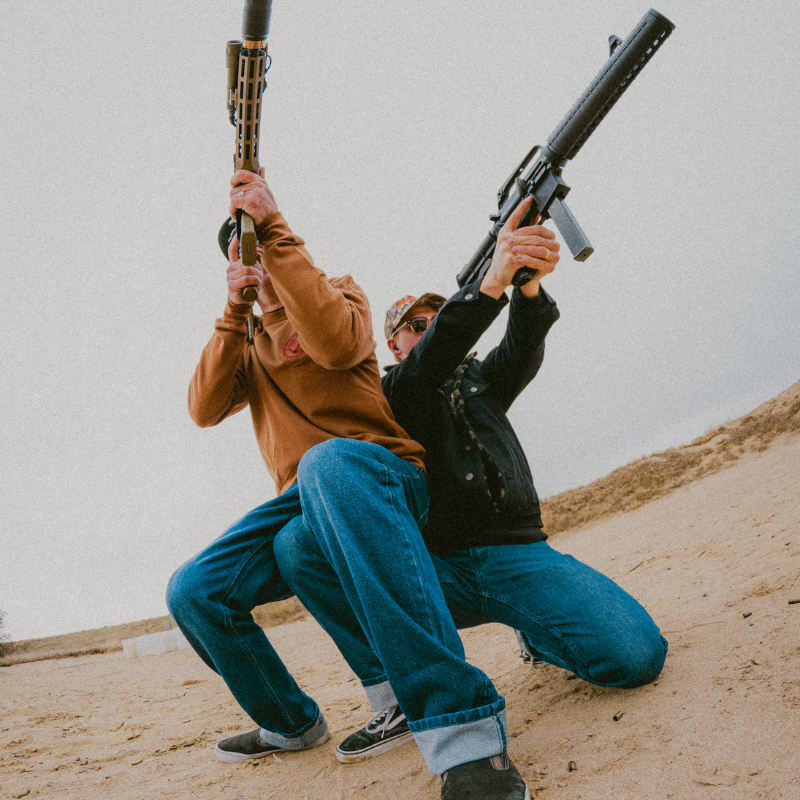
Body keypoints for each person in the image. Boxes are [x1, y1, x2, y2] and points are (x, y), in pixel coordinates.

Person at [275, 197, 668, 790]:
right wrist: (489, 284)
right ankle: (400, 693)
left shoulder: (483, 382)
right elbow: (436, 356)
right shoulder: (391, 393)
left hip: (517, 555)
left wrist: (527, 288)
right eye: (412, 326)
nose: (425, 328)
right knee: (297, 542)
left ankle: (536, 631)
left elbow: (522, 349)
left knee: (635, 657)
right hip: (430, 575)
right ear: (394, 345)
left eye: (432, 317)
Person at [166, 168, 526, 800]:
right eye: (244, 252)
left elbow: (334, 345)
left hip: (379, 475)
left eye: (262, 248)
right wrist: (234, 309)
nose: (259, 265)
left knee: (325, 464)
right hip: (303, 500)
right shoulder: (246, 341)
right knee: (196, 589)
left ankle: (466, 735)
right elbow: (202, 408)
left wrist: (274, 230)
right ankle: (290, 722)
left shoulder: (342, 295)